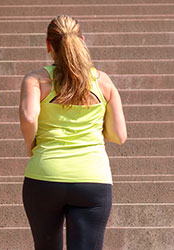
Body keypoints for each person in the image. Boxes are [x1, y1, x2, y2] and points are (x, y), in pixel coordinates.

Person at [19, 15, 127, 250]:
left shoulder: (36, 80)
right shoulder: (104, 82)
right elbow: (119, 135)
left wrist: (31, 145)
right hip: (92, 178)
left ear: (48, 45)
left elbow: (29, 116)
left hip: (44, 175)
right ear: (82, 41)